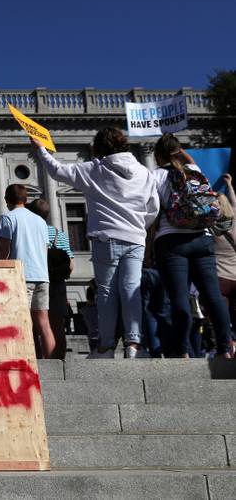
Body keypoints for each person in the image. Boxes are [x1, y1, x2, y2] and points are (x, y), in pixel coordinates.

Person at [33, 128, 160, 358]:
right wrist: (138, 227)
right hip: (135, 239)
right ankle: (134, 345)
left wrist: (40, 147)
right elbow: (153, 208)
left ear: (100, 148)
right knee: (132, 290)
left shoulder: (95, 169)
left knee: (106, 292)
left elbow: (56, 170)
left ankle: (106, 346)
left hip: (106, 238)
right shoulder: (144, 172)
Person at [152, 134, 232, 359]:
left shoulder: (156, 175)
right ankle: (225, 349)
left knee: (179, 298)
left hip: (171, 241)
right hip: (202, 238)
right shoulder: (194, 170)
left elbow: (150, 209)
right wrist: (180, 153)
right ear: (178, 152)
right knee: (213, 296)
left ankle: (183, 350)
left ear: (158, 156)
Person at [0, 184, 55, 359]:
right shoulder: (41, 221)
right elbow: (44, 249)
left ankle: (28, 359)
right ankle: (52, 362)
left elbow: (4, 251)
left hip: (21, 276)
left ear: (6, 200)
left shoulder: (8, 218)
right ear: (26, 200)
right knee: (44, 322)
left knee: (23, 321)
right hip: (42, 276)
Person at [27, 198, 75, 360]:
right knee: (57, 326)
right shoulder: (58, 234)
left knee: (34, 325)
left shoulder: (31, 234)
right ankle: (58, 360)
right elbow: (71, 264)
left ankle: (38, 360)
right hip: (57, 284)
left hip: (37, 280)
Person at [214, 173, 236, 351]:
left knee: (223, 317)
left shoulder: (210, 227)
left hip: (219, 278)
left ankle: (228, 347)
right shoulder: (235, 222)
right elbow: (234, 202)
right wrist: (229, 185)